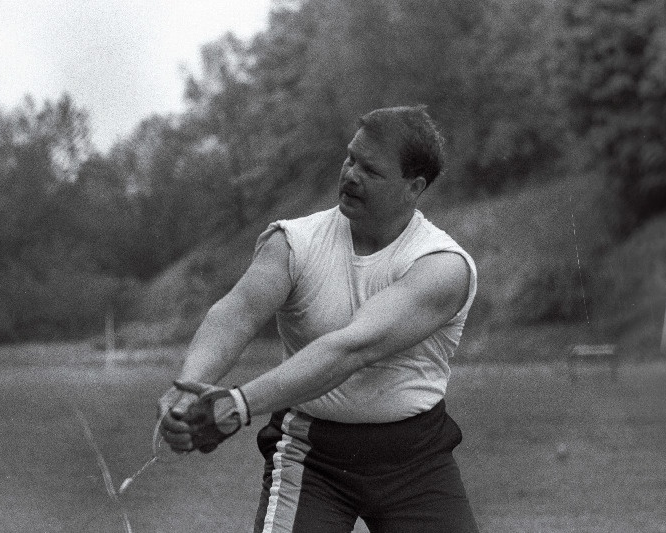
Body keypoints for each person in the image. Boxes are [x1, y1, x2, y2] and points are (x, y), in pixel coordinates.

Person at [159, 105, 479, 533]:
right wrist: (188, 391)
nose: (350, 175)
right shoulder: (292, 242)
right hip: (312, 457)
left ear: (413, 186)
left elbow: (352, 348)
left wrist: (237, 404)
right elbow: (235, 314)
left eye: (371, 170)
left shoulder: (442, 266)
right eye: (350, 159)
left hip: (416, 461)